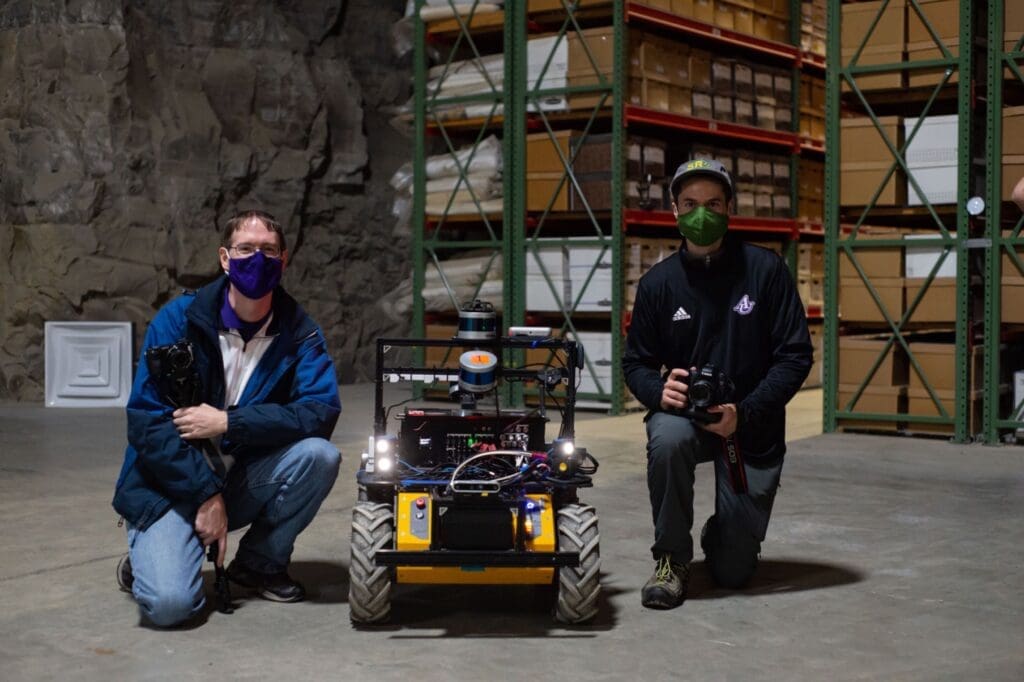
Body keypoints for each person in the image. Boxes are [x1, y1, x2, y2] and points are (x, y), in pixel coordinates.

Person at [112, 209, 342, 627]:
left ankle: (258, 565)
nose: (258, 259)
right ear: (224, 257)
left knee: (319, 456)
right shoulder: (178, 321)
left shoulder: (301, 333)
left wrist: (229, 423)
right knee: (171, 607)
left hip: (239, 478)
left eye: (269, 251)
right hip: (168, 486)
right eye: (245, 249)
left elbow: (319, 411)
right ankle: (148, 558)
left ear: (284, 260)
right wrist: (205, 494)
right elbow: (148, 423)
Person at [623, 159, 813, 610]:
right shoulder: (657, 286)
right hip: (687, 417)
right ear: (674, 209)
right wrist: (657, 391)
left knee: (732, 572)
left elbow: (795, 356)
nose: (701, 214)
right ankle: (670, 559)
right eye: (690, 204)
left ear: (730, 207)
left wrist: (744, 413)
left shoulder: (766, 272)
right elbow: (636, 363)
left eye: (712, 203)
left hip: (751, 423)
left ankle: (723, 535)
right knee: (667, 438)